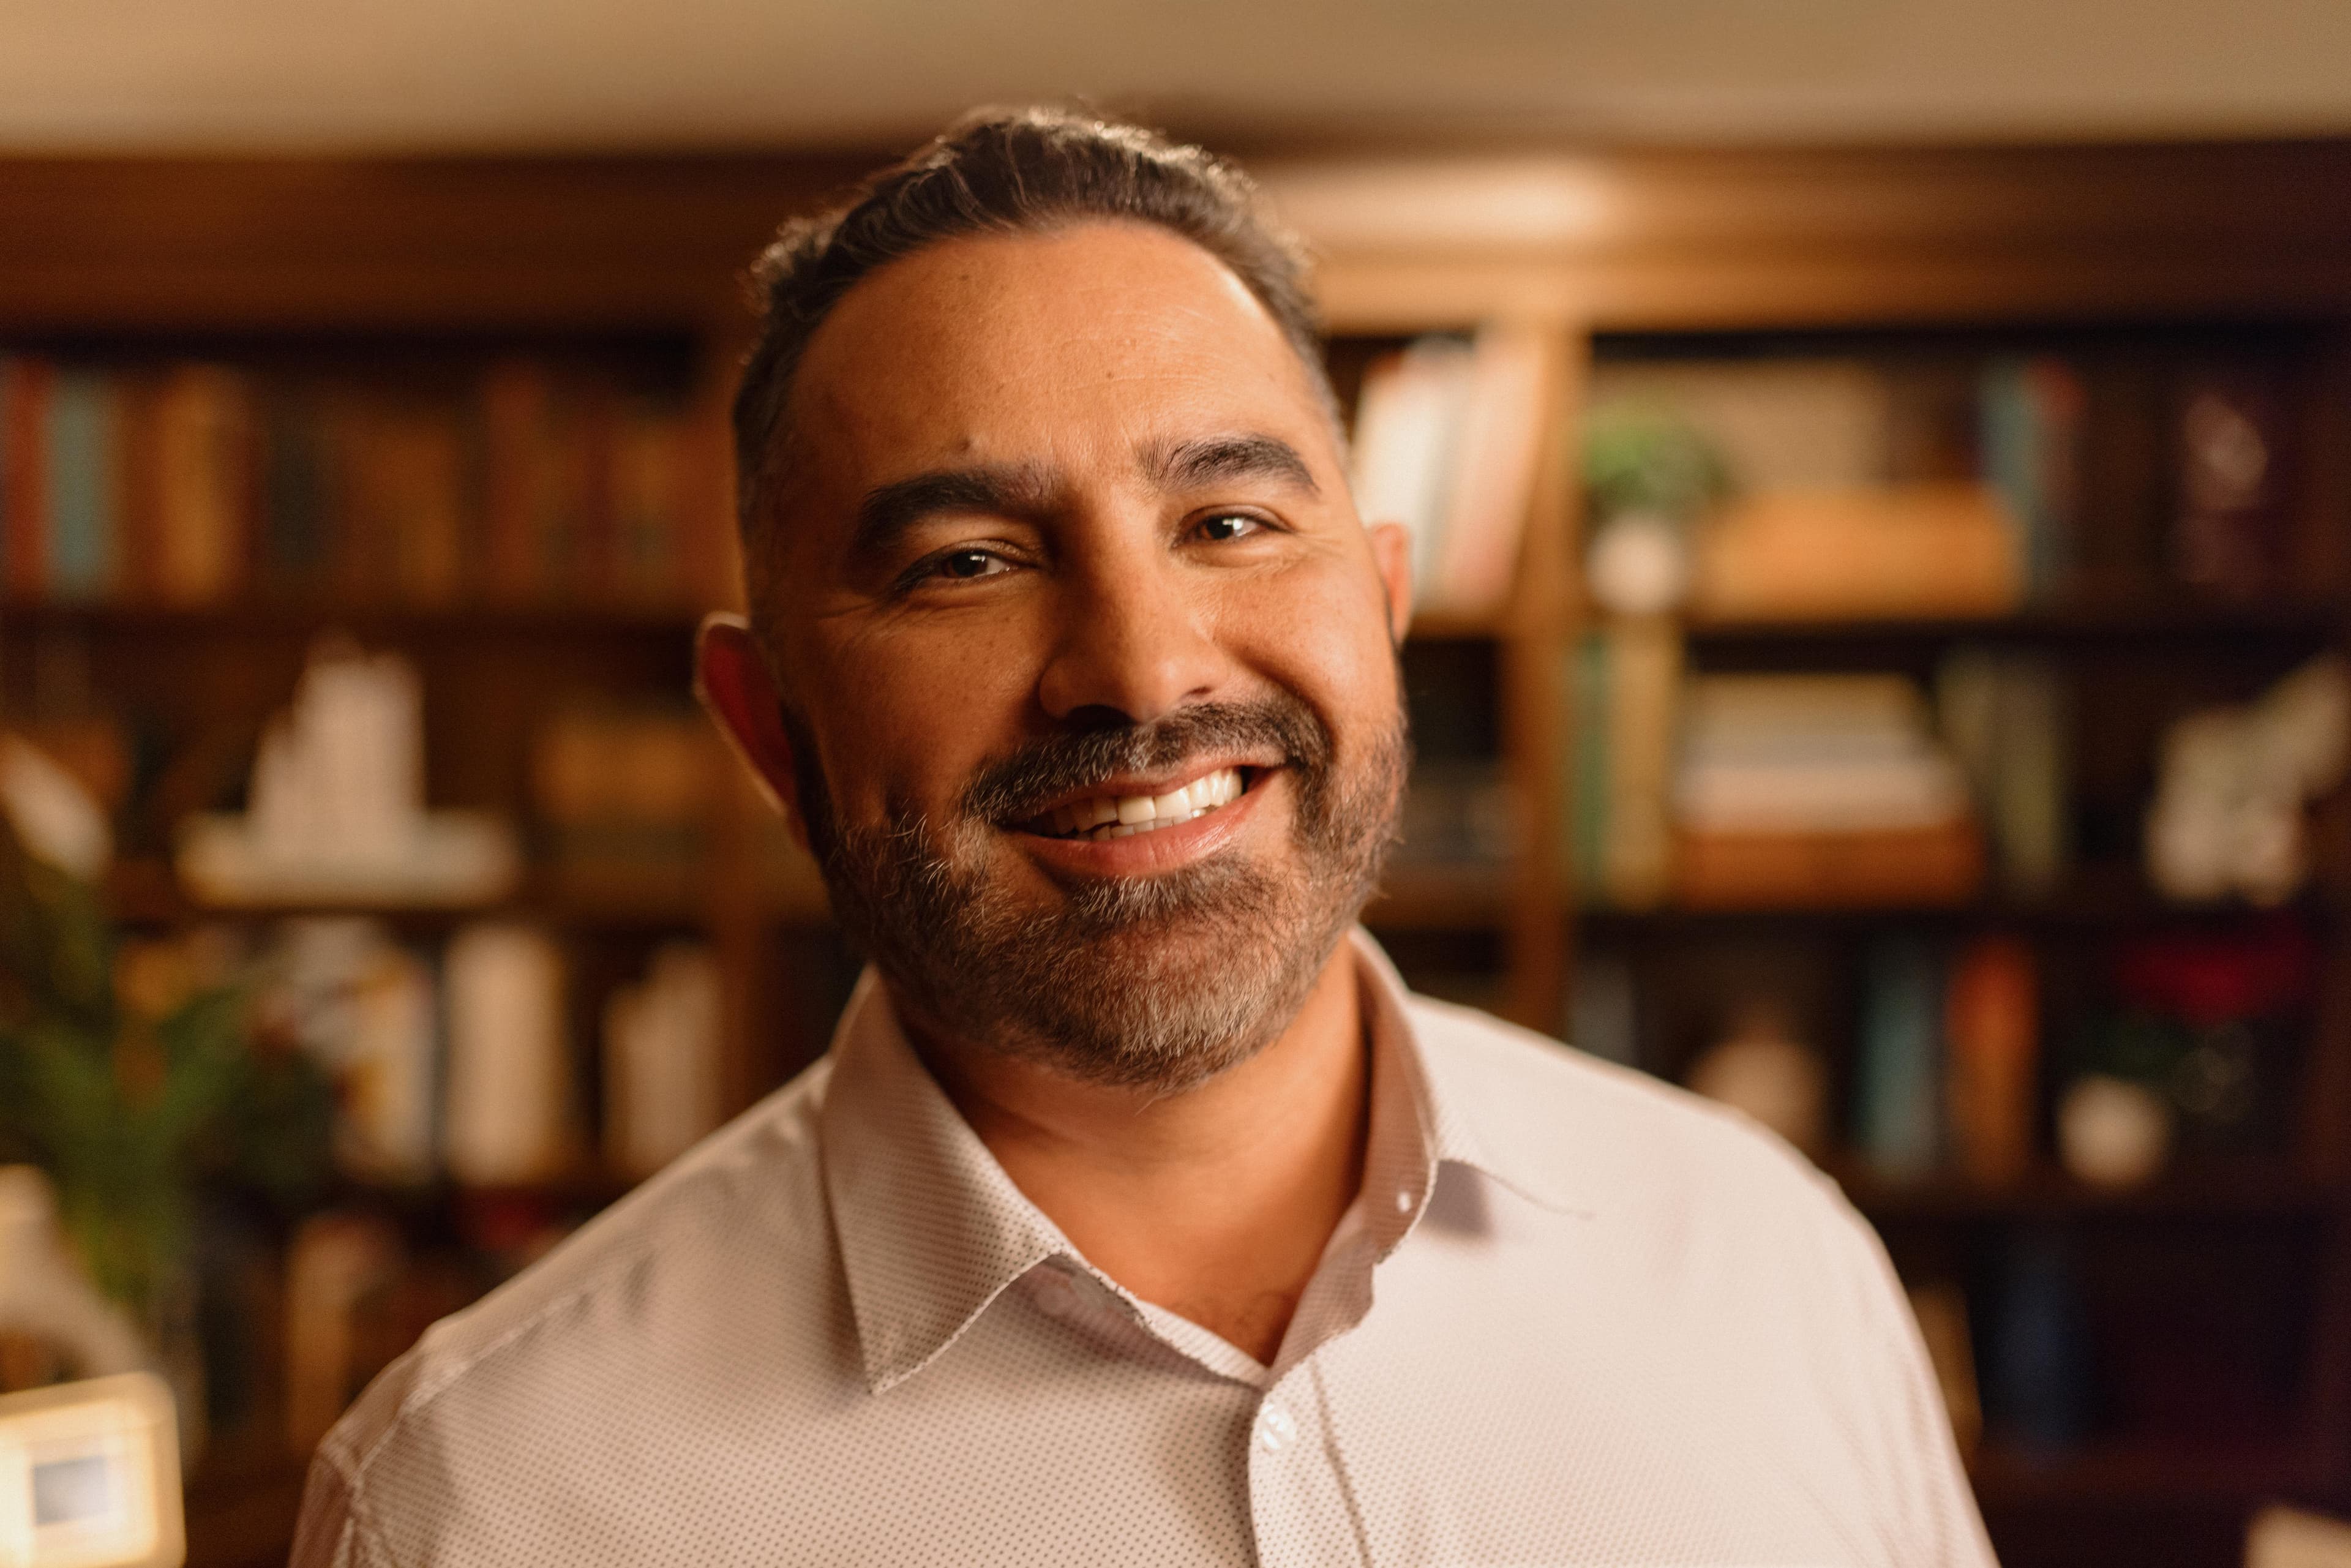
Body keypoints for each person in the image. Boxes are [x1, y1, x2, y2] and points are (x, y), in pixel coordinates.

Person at [291, 108, 1995, 1567]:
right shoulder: (484, 1501)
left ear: (1383, 613)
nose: (1142, 665)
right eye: (968, 558)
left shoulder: (1772, 1269)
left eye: (1232, 520)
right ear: (769, 730)